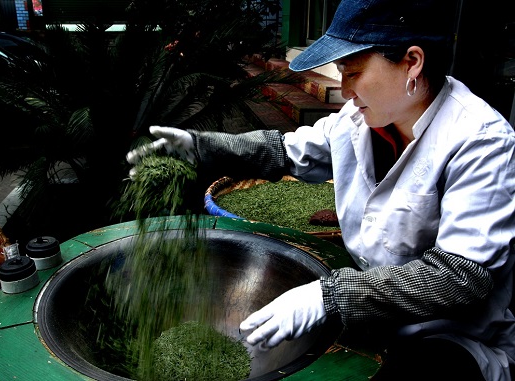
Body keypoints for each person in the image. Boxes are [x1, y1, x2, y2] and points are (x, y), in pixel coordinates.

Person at [126, 0, 515, 379]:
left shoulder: (479, 141)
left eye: (353, 72)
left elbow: (460, 277)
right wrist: (205, 148)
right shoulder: (359, 119)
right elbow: (287, 152)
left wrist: (329, 296)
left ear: (412, 62)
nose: (345, 90)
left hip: (446, 336)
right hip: (368, 317)